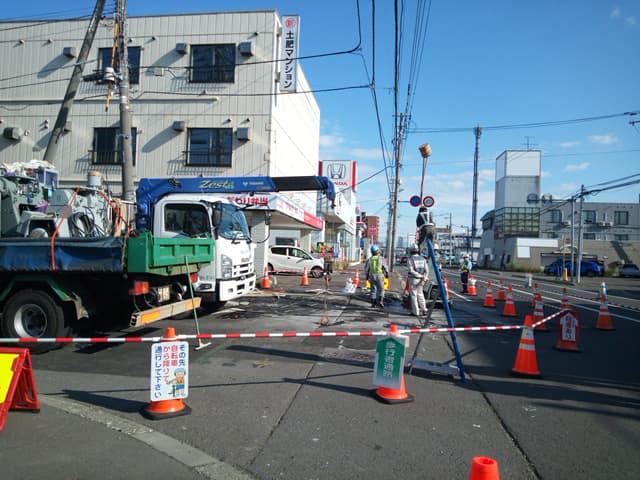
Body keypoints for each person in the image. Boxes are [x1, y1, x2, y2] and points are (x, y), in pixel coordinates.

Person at [407, 245, 428, 317]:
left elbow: (411, 270)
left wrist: (419, 275)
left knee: (414, 296)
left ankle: (415, 312)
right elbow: (427, 271)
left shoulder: (410, 259)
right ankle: (424, 310)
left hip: (414, 279)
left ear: (411, 251)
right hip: (421, 280)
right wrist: (424, 278)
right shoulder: (423, 259)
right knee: (420, 294)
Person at [365, 244, 388, 309]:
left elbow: (367, 269)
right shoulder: (381, 258)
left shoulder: (370, 259)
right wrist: (387, 274)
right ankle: (380, 301)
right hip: (379, 275)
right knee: (381, 289)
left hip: (372, 275)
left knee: (373, 290)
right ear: (377, 251)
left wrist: (367, 276)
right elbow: (385, 267)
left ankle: (373, 304)